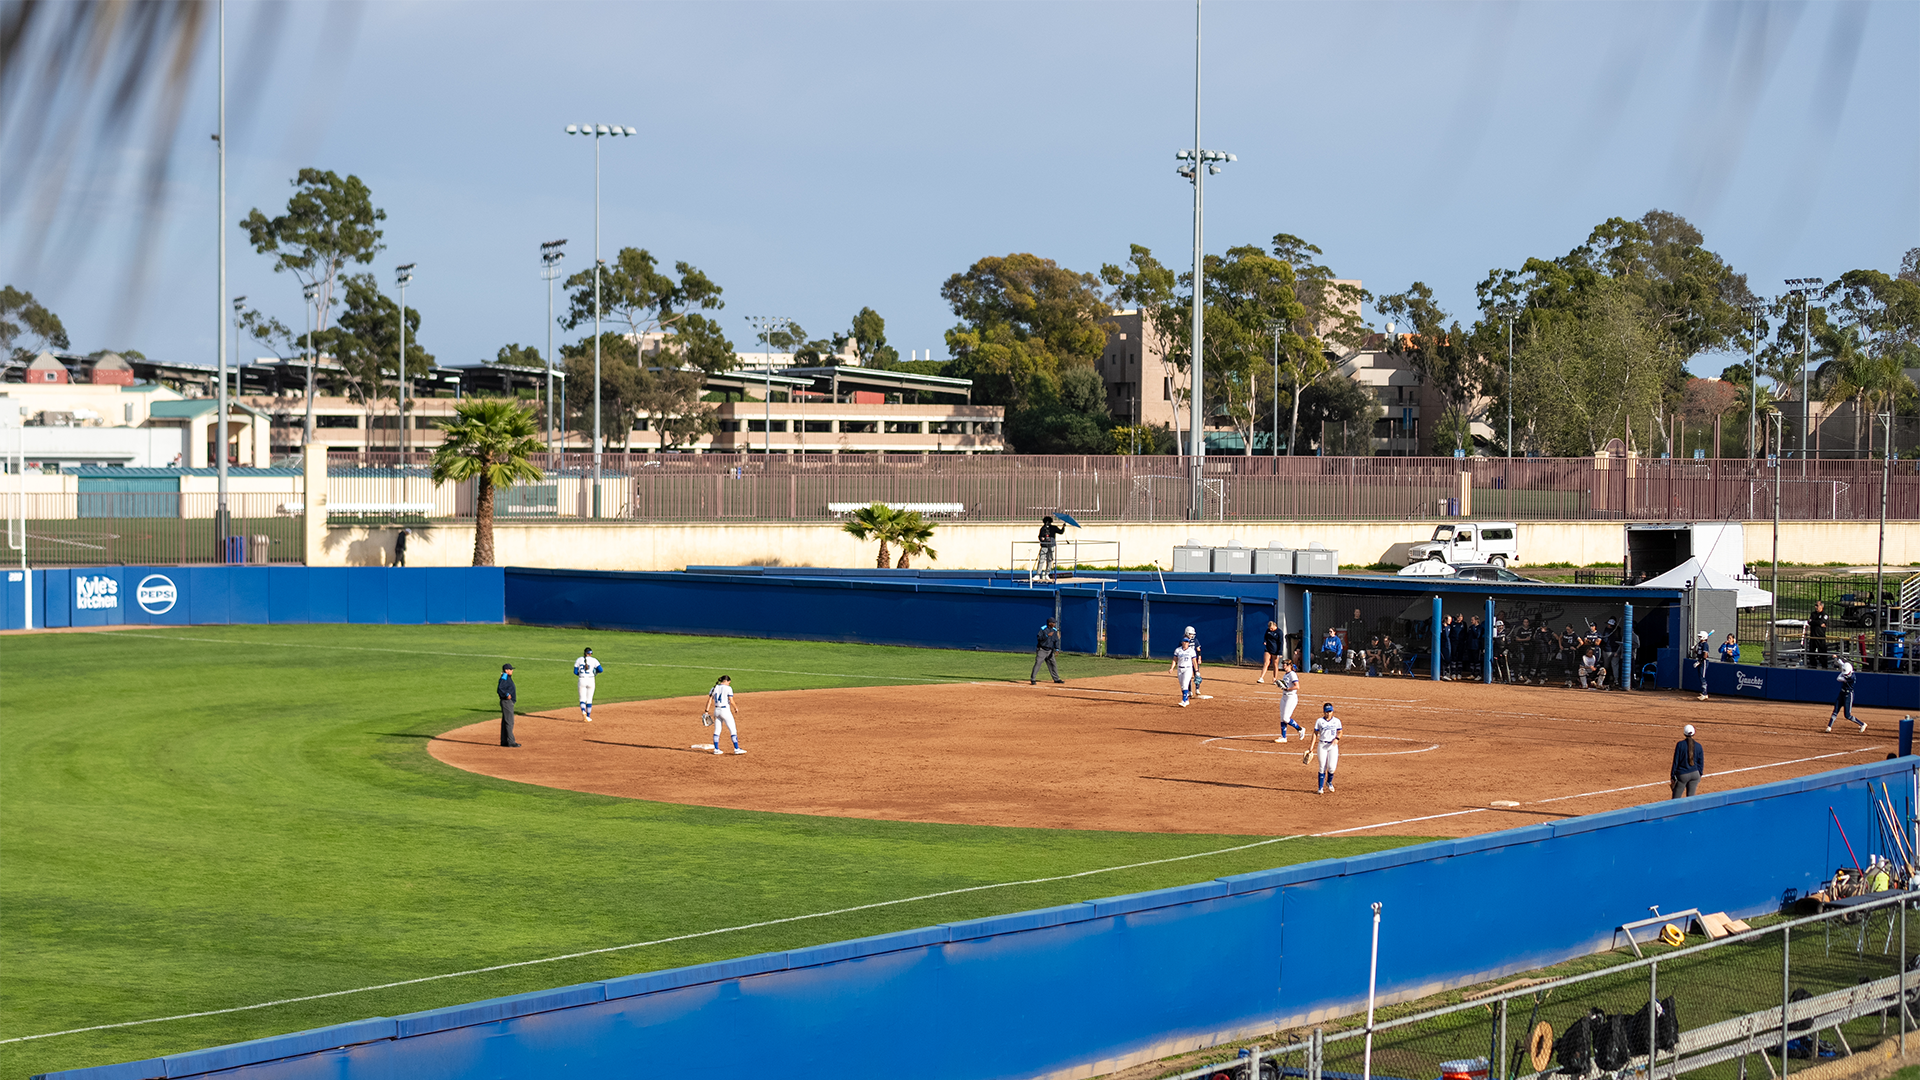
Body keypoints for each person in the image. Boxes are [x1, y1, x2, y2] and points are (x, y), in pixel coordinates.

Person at [702, 674, 745, 754]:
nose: (729, 684)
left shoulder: (714, 687)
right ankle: (736, 748)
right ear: (727, 681)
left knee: (717, 730)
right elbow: (731, 701)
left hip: (716, 711)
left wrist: (706, 711)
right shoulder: (728, 688)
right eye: (729, 682)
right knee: (733, 730)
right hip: (725, 711)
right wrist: (736, 707)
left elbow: (710, 700)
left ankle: (716, 749)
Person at [1310, 702, 1343, 794]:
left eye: (1330, 711)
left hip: (1333, 746)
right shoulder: (1319, 721)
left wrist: (1337, 738)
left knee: (1332, 768)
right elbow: (1315, 734)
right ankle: (1320, 788)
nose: (1328, 713)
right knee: (1322, 767)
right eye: (1327, 712)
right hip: (1322, 745)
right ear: (1323, 712)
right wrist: (1311, 747)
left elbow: (1340, 732)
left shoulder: (1337, 721)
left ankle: (1329, 782)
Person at [1827, 657, 1865, 733]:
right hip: (1842, 693)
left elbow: (1838, 678)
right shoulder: (1848, 670)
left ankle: (1862, 724)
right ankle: (1829, 726)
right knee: (1835, 710)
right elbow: (1842, 664)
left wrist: (1842, 669)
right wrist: (1837, 659)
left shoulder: (1851, 678)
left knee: (1847, 715)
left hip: (1848, 695)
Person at [1272, 659, 1305, 742]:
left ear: (1289, 665)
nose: (1283, 666)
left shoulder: (1292, 674)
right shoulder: (1285, 675)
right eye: (1283, 664)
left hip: (1291, 697)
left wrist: (1287, 688)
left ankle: (1300, 729)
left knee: (1286, 718)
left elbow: (1297, 686)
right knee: (1282, 717)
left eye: (1285, 664)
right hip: (1284, 697)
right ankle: (1283, 737)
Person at [1670, 724, 1704, 798]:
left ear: (1684, 733)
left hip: (1682, 775)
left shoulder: (1680, 745)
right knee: (1691, 799)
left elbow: (1676, 761)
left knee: (1676, 799)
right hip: (1695, 774)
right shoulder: (1699, 746)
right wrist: (1699, 774)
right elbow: (1700, 763)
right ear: (1694, 733)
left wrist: (1672, 776)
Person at [1170, 628, 1201, 708]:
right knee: (1182, 685)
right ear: (1182, 642)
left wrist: (1196, 670)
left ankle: (1184, 700)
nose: (1186, 643)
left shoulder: (1191, 651)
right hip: (1180, 669)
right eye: (1185, 642)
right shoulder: (1178, 650)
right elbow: (1175, 659)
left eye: (1187, 642)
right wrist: (1172, 668)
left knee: (1184, 684)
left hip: (1188, 668)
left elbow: (1194, 661)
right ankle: (1186, 699)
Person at [573, 646, 603, 721]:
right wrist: (595, 673)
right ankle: (588, 716)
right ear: (590, 654)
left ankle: (583, 711)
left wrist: (581, 675)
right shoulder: (594, 660)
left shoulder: (579, 660)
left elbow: (575, 672)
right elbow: (601, 670)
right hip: (591, 680)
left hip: (582, 679)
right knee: (589, 699)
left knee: (582, 699)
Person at [1031, 616, 1064, 685]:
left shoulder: (1054, 630)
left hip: (1050, 651)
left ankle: (1056, 679)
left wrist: (1057, 649)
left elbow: (1056, 640)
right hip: (1042, 650)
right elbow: (1039, 638)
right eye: (1053, 623)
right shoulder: (1043, 629)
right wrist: (1046, 636)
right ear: (1049, 623)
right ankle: (1033, 679)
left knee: (1053, 664)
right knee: (1038, 663)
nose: (1054, 624)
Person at [1035, 515, 1065, 582]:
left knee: (1050, 560)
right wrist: (1042, 539)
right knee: (1041, 560)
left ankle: (1047, 574)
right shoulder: (1043, 528)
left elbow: (1061, 532)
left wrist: (1063, 527)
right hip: (1044, 546)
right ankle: (1038, 574)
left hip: (1051, 546)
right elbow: (1039, 536)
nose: (1047, 523)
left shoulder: (1054, 528)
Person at [497, 663, 519, 747]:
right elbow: (500, 688)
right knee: (509, 722)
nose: (512, 671)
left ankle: (504, 741)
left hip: (507, 702)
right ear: (506, 670)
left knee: (506, 721)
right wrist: (506, 694)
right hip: (507, 702)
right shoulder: (504, 677)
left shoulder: (506, 677)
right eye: (510, 669)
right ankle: (511, 742)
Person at [1807, 600, 1830, 669]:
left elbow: (1822, 621)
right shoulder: (1813, 614)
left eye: (1817, 605)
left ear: (1822, 606)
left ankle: (1824, 666)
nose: (1815, 607)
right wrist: (1818, 623)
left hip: (1820, 637)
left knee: (1822, 652)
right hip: (1813, 636)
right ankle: (1813, 665)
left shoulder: (1825, 615)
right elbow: (1810, 622)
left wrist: (1815, 622)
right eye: (1815, 605)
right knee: (1811, 652)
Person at [1690, 630, 1712, 701]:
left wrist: (1700, 661)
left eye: (1700, 636)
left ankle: (1704, 693)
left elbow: (1705, 655)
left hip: (1703, 662)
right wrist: (1693, 650)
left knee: (1702, 677)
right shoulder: (1700, 644)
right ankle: (1704, 693)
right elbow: (1698, 652)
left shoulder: (1705, 644)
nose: (1699, 637)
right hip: (1700, 660)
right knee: (1700, 676)